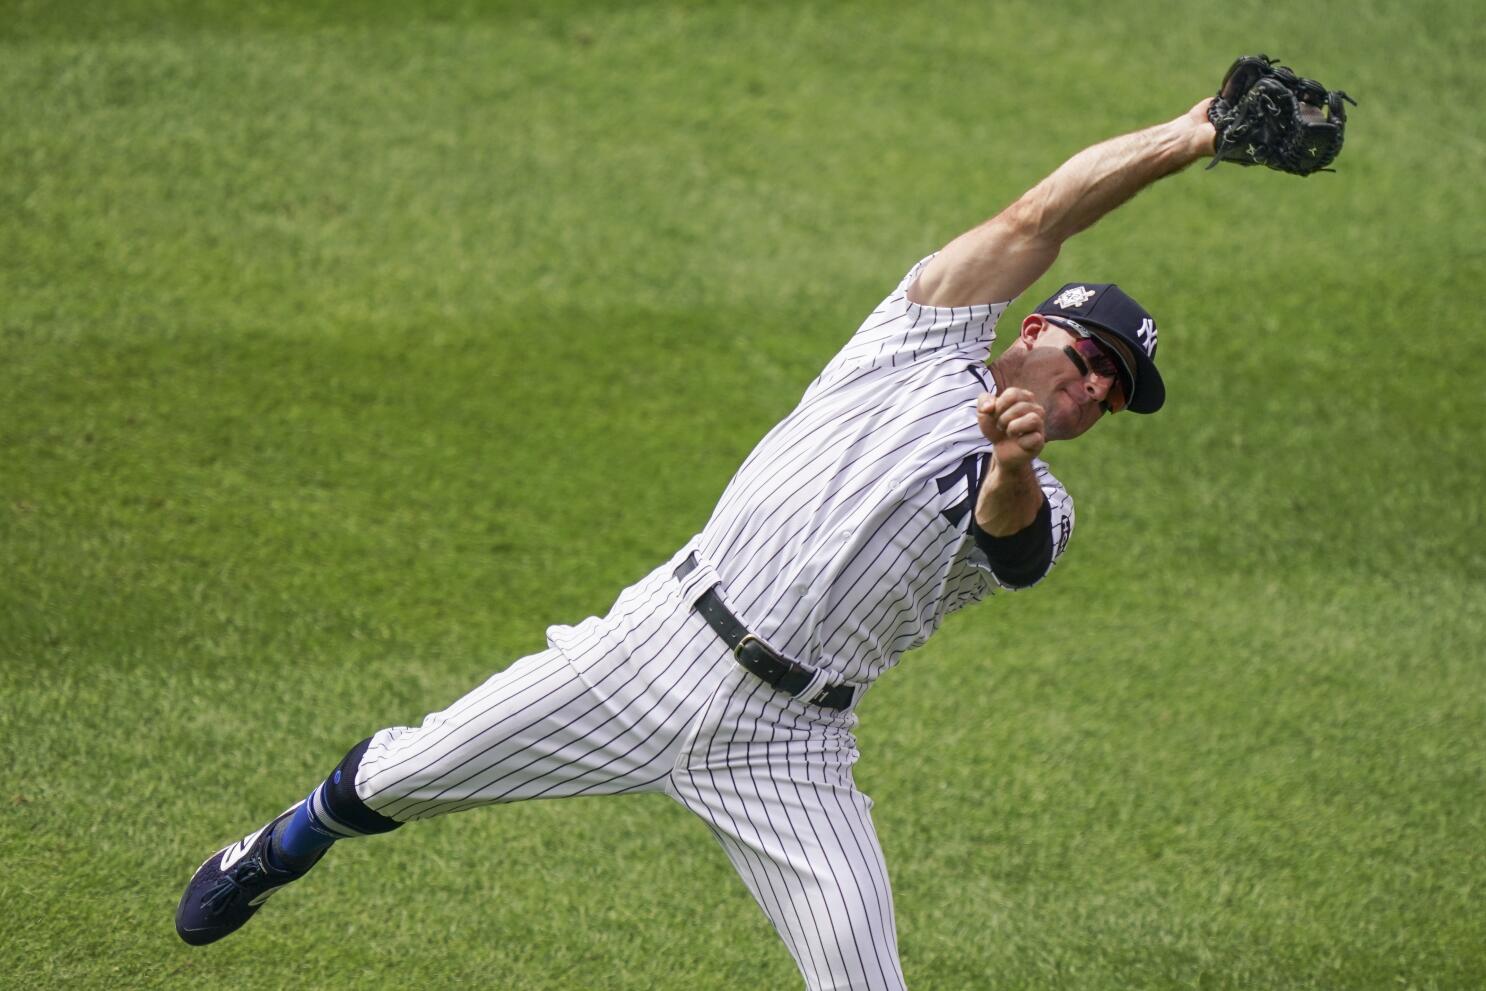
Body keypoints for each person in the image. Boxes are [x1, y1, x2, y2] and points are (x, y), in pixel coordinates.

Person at [177, 97, 1219, 989]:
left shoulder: (1044, 496)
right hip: (650, 649)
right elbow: (1038, 212)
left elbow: (1014, 551)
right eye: (1092, 358)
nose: (1093, 390)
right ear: (1034, 327)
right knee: (405, 775)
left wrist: (1008, 463)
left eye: (1114, 392)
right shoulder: (915, 338)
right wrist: (1190, 133)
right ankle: (278, 848)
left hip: (790, 745)